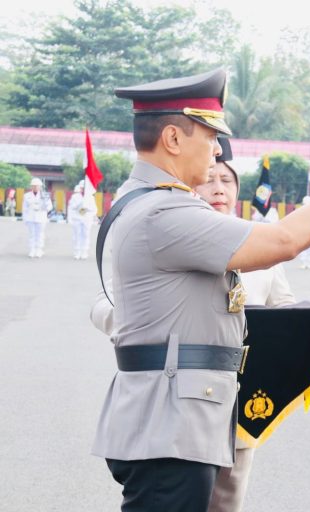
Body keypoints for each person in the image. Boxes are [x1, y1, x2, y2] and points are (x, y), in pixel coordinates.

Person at [91, 68, 310, 512]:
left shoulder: (148, 201)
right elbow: (281, 242)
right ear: (172, 138)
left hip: (172, 424)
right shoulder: (165, 211)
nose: (215, 152)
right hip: (171, 430)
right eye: (209, 136)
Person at [90, 138, 296, 512]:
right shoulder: (168, 224)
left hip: (238, 396)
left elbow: (286, 310)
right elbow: (108, 303)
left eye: (228, 181)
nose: (219, 187)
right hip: (182, 396)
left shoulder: (258, 246)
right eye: (211, 178)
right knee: (176, 495)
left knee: (226, 500)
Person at [21, 177, 52, 258]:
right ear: (31, 186)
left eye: (37, 186)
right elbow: (24, 208)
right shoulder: (26, 195)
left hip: (41, 217)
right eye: (33, 186)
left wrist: (43, 207)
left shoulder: (45, 195)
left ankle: (39, 249)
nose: (35, 187)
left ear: (40, 187)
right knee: (32, 234)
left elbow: (50, 207)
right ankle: (32, 249)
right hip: (30, 218)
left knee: (40, 234)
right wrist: (25, 219)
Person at [67, 180, 97, 259]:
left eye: (85, 188)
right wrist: (78, 206)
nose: (84, 189)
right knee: (77, 235)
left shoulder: (91, 197)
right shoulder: (75, 196)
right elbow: (71, 208)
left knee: (86, 235)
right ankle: (77, 252)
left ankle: (84, 252)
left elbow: (94, 210)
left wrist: (87, 210)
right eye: (82, 188)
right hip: (77, 218)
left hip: (87, 219)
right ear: (80, 188)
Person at [298, 195, 310, 269]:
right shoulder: (300, 211)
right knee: (303, 247)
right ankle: (304, 262)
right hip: (303, 231)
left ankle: (309, 262)